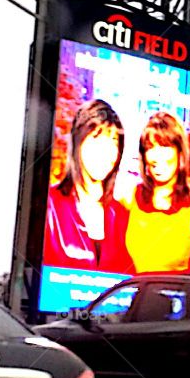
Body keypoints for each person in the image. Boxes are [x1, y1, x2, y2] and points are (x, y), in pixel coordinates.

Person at [43, 99, 133, 272]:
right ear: (78, 143)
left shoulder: (121, 215)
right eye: (96, 139)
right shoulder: (49, 205)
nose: (105, 152)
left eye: (113, 142)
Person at [121, 111, 190, 273]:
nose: (157, 157)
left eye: (165, 146)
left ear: (180, 153)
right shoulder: (129, 198)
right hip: (130, 295)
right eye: (150, 147)